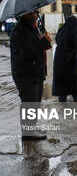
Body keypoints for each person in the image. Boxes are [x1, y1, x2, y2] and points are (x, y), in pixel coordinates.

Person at [10, 10, 52, 140]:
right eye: (34, 12)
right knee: (29, 102)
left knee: (35, 102)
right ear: (26, 14)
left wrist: (45, 38)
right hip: (26, 73)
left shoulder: (31, 27)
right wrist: (43, 41)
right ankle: (28, 133)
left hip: (35, 71)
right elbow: (28, 51)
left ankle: (31, 127)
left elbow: (40, 44)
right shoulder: (21, 30)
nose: (37, 14)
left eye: (37, 12)